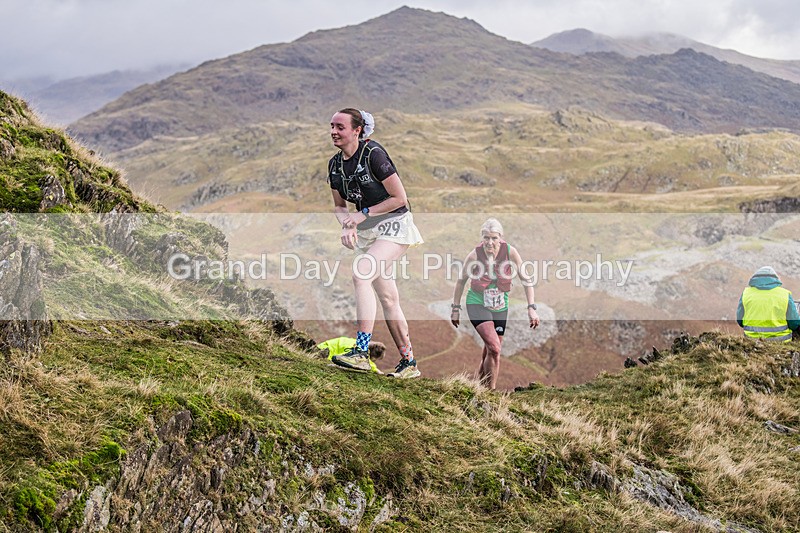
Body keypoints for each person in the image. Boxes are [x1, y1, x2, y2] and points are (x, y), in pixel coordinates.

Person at [327, 108, 424, 378]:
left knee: (361, 273)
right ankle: (409, 364)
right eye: (332, 126)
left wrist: (362, 215)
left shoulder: (374, 154)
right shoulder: (334, 165)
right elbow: (338, 206)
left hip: (394, 226)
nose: (334, 131)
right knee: (388, 298)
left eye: (340, 127)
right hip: (369, 233)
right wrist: (347, 224)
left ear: (357, 130)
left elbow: (399, 198)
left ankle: (360, 352)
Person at [450, 218, 540, 389]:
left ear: (501, 237)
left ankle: (479, 388)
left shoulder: (510, 252)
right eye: (486, 237)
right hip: (477, 303)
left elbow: (526, 280)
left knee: (490, 350)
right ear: (481, 238)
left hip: (500, 306)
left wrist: (531, 308)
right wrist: (455, 309)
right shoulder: (475, 255)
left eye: (494, 238)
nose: (489, 242)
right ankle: (491, 393)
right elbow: (461, 281)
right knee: (495, 349)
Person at [737, 266, 800, 342]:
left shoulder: (746, 294)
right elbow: (794, 323)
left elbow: (740, 320)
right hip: (781, 342)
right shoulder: (785, 294)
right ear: (776, 279)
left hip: (751, 341)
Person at [316, 337, 386, 374]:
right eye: (374, 360)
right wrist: (376, 370)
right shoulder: (356, 349)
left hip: (322, 348)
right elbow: (364, 361)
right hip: (323, 353)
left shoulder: (356, 343)